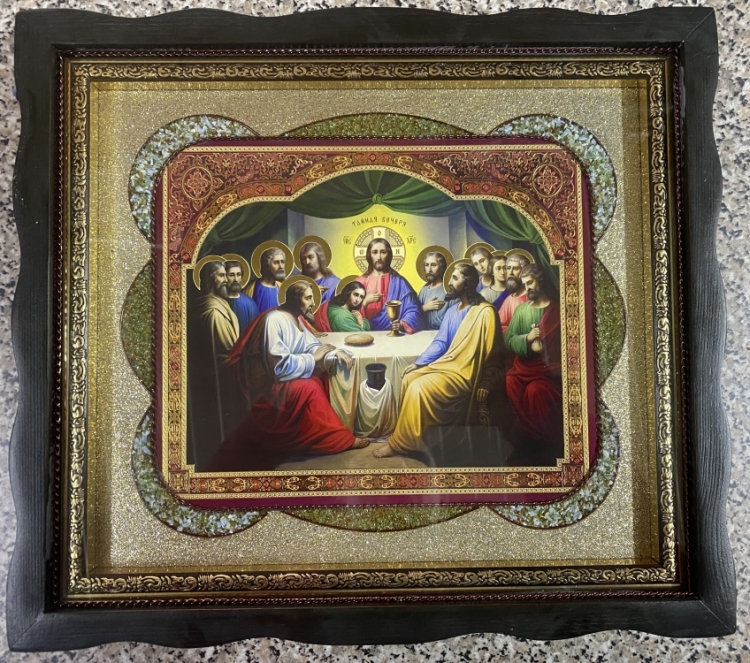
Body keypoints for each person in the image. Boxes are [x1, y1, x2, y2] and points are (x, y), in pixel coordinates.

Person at [208, 281, 370, 471]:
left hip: (286, 377)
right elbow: (278, 367)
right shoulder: (274, 320)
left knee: (321, 377)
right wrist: (312, 358)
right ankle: (338, 438)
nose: (313, 303)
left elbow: (312, 346)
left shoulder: (296, 319)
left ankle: (316, 434)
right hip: (269, 386)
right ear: (295, 299)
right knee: (310, 387)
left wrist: (333, 353)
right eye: (308, 298)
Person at [372, 263, 500, 458]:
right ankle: (415, 437)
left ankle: (400, 444)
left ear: (467, 284)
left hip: (465, 372)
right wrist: (418, 363)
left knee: (418, 387)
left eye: (455, 278)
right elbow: (441, 343)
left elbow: (491, 353)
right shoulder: (452, 311)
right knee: (409, 378)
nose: (450, 283)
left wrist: (482, 375)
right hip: (449, 365)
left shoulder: (485, 312)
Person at [188, 261, 241, 469]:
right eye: (221, 276)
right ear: (210, 280)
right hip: (217, 379)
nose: (226, 280)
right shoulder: (213, 312)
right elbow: (225, 351)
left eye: (225, 275)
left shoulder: (219, 303)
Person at [504, 263, 563, 452]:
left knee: (535, 390)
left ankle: (542, 442)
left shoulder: (557, 311)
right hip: (524, 367)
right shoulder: (521, 311)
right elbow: (509, 339)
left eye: (530, 283)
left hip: (548, 370)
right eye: (524, 284)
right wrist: (527, 339)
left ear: (540, 280)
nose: (527, 288)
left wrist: (544, 350)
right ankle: (524, 440)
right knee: (510, 381)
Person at [355, 238, 423, 334]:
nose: (379, 257)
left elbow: (413, 310)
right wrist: (365, 302)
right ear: (369, 255)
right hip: (366, 335)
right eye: (374, 252)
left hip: (395, 336)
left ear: (389, 255)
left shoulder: (400, 282)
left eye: (383, 252)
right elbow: (348, 314)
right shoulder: (359, 283)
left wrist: (402, 324)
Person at [498, 254, 530, 334]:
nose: (511, 272)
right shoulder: (509, 300)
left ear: (524, 272)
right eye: (508, 268)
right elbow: (500, 325)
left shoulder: (531, 296)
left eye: (515, 268)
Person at [417, 251, 449, 330]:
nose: (429, 269)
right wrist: (424, 308)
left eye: (433, 265)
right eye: (427, 265)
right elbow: (414, 315)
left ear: (441, 268)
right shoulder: (424, 290)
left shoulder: (447, 289)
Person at [224, 259, 259, 333]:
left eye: (238, 275)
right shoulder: (218, 301)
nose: (236, 279)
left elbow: (255, 331)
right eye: (231, 275)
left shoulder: (250, 304)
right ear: (225, 277)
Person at [249, 247, 286, 313]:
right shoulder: (253, 288)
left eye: (282, 262)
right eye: (276, 262)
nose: (281, 266)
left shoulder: (282, 287)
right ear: (266, 265)